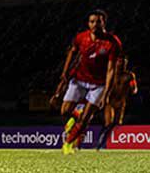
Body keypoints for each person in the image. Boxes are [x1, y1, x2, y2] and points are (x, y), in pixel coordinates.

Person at [53, 9, 123, 154]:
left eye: (98, 21)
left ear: (104, 22)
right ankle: (76, 115)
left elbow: (111, 70)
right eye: (92, 21)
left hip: (99, 84)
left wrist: (106, 93)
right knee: (64, 111)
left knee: (86, 118)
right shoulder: (81, 38)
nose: (95, 24)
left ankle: (67, 144)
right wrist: (65, 72)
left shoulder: (113, 42)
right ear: (88, 23)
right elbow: (72, 51)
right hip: (79, 79)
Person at [96, 56, 137, 150]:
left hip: (121, 103)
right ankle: (100, 143)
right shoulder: (110, 74)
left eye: (123, 63)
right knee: (108, 123)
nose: (121, 65)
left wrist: (133, 89)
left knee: (116, 123)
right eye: (119, 62)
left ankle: (103, 142)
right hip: (110, 102)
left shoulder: (129, 75)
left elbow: (134, 87)